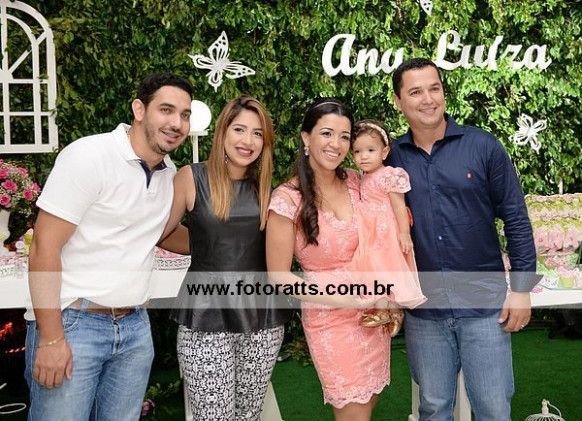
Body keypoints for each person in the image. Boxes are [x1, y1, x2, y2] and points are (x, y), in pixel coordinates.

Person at [25, 73, 193, 421]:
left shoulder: (168, 172)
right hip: (74, 323)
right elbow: (44, 246)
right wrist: (52, 338)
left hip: (135, 328)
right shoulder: (89, 155)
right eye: (166, 110)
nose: (177, 123)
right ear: (139, 109)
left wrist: (229, 243)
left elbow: (160, 233)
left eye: (185, 114)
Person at [387, 58, 539, 420]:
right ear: (398, 101)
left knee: (493, 408)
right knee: (433, 407)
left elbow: (516, 218)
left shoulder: (483, 146)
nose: (428, 99)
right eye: (415, 92)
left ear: (444, 92)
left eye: (434, 88)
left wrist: (521, 290)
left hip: (484, 305)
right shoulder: (390, 158)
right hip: (424, 309)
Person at [159, 95, 290, 420]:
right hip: (205, 314)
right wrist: (208, 246)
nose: (248, 141)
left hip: (262, 318)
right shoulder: (191, 177)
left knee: (248, 415)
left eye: (257, 133)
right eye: (239, 129)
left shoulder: (268, 187)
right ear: (223, 132)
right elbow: (161, 233)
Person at [266, 98, 389, 421]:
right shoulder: (286, 199)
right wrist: (346, 298)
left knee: (369, 402)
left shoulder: (358, 181)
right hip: (330, 320)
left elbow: (383, 238)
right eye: (326, 133)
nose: (336, 144)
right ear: (306, 137)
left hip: (373, 314)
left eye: (344, 136)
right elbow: (279, 276)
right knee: (353, 412)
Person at [349, 119, 426, 330]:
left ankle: (391, 310)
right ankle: (384, 310)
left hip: (385, 232)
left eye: (370, 150)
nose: (364, 156)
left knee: (388, 268)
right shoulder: (361, 178)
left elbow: (400, 207)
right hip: (368, 232)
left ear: (384, 152)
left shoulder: (390, 174)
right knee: (372, 268)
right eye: (358, 151)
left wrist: (404, 233)